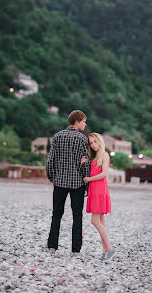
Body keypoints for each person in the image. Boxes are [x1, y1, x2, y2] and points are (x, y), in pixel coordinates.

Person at [46, 110, 90, 256]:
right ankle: (75, 250)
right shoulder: (82, 139)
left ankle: (52, 246)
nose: (85, 124)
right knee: (77, 216)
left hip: (59, 182)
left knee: (56, 214)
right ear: (76, 122)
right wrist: (87, 185)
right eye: (84, 121)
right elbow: (85, 164)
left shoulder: (58, 136)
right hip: (77, 183)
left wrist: (52, 178)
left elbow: (51, 160)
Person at [81, 132, 115, 261]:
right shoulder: (93, 157)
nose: (93, 145)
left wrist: (88, 179)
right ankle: (105, 251)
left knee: (94, 221)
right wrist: (83, 163)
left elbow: (104, 174)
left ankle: (110, 249)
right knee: (101, 222)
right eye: (91, 143)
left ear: (100, 141)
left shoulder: (104, 154)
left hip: (100, 190)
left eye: (95, 142)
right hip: (94, 190)